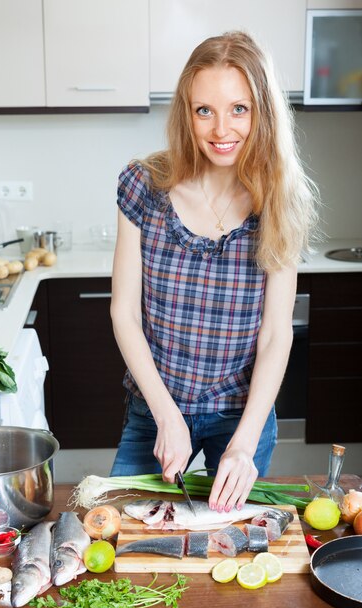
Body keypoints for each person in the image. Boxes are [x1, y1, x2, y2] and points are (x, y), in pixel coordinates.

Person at [109, 31, 319, 512]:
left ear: (262, 111)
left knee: (230, 545)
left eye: (239, 109)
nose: (221, 129)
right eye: (204, 110)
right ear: (187, 112)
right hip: (155, 406)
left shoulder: (281, 201)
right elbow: (125, 314)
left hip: (240, 414)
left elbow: (275, 335)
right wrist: (166, 415)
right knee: (125, 529)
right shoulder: (143, 185)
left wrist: (244, 445)